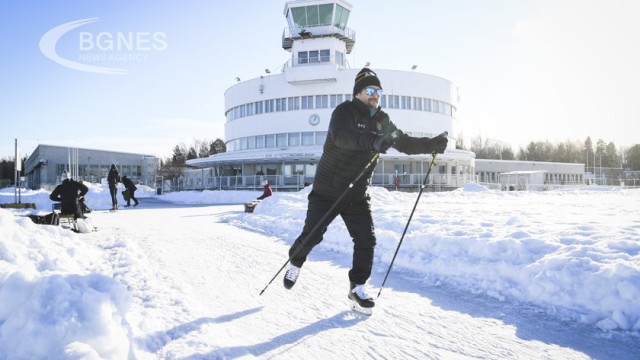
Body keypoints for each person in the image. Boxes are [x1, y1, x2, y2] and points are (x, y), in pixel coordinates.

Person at [283, 68, 448, 310]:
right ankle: (295, 262)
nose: (375, 95)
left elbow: (403, 141)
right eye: (370, 91)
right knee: (312, 235)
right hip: (328, 190)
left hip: (356, 194)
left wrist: (431, 144)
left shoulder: (383, 120)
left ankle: (357, 287)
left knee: (366, 240)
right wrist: (373, 141)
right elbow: (343, 137)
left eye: (378, 91)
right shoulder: (344, 112)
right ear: (358, 93)